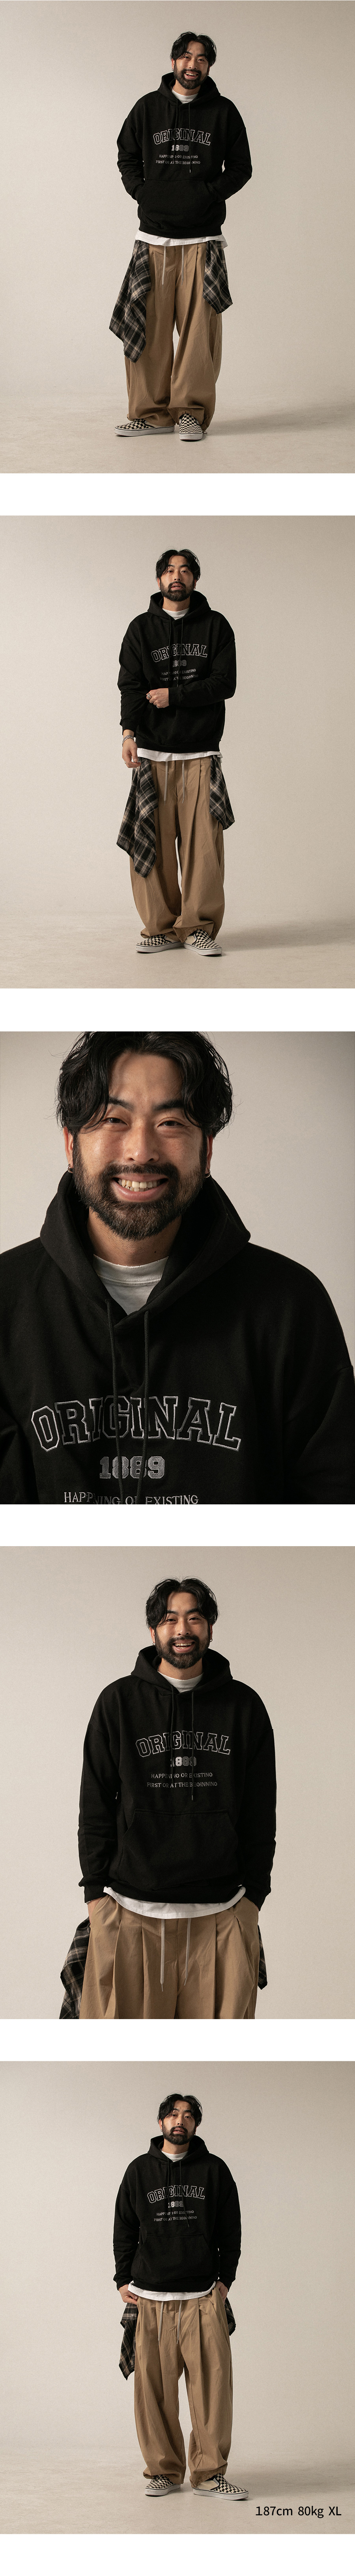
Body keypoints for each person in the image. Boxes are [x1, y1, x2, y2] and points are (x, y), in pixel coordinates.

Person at [0, 1030, 354, 1505]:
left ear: (207, 1149)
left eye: (170, 1122)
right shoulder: (6, 1300)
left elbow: (334, 1505)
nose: (141, 1151)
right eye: (114, 1119)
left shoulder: (290, 1305)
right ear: (71, 1144)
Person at [78, 1574, 276, 2019]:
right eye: (170, 1619)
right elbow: (95, 1804)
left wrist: (254, 1898)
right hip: (129, 1912)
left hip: (223, 1914)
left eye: (194, 1618)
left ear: (210, 1628)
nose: (182, 1629)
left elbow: (261, 1811)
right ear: (153, 1631)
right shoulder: (118, 1702)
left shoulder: (244, 1707)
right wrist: (95, 1896)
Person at [110, 29, 252, 440]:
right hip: (153, 240)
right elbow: (127, 156)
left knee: (197, 336)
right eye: (187, 57)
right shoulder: (147, 108)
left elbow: (241, 168)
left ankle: (190, 413)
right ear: (174, 61)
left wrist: (207, 195)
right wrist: (143, 192)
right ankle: (151, 414)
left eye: (202, 59)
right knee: (148, 329)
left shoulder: (224, 111)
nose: (194, 65)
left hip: (203, 240)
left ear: (209, 67)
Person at [113, 2088, 247, 2498]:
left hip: (202, 2296)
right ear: (161, 2122)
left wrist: (226, 2279)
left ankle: (209, 2475)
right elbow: (124, 2228)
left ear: (196, 2125)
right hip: (150, 2298)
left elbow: (231, 2229)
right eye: (173, 2114)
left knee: (212, 2391)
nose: (180, 2120)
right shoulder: (139, 2171)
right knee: (153, 2393)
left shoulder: (215, 2170)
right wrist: (122, 2279)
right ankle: (164, 2471)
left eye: (189, 2115)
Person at [118, 545, 236, 956]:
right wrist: (128, 733)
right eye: (170, 570)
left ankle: (197, 927)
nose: (177, 577)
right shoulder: (141, 629)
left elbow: (225, 683)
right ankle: (160, 928)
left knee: (204, 851)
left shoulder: (216, 626)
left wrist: (175, 695)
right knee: (149, 844)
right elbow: (131, 685)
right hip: (152, 754)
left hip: (201, 754)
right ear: (159, 580)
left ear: (195, 579)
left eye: (185, 570)